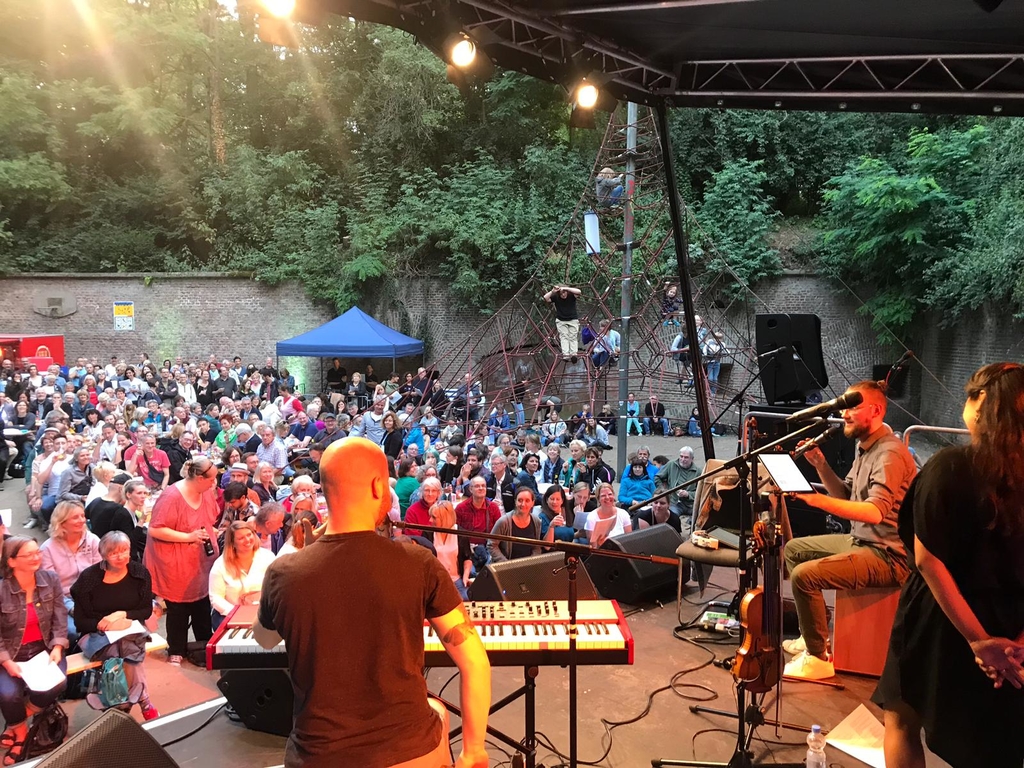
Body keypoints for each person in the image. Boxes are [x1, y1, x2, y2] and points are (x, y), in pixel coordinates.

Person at [253, 437, 490, 768]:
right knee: (436, 711)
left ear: (324, 490)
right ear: (380, 486)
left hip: (318, 756)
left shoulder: (283, 571)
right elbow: (475, 662)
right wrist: (474, 749)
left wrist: (305, 555)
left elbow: (263, 640)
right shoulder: (418, 562)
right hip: (408, 753)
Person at [873, 363, 1024, 768]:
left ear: (980, 404)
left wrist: (977, 642)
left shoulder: (950, 466)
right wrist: (1016, 645)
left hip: (939, 616)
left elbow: (926, 559)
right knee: (991, 741)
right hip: (1010, 623)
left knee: (902, 719)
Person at [782, 381, 917, 681]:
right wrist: (820, 465)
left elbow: (873, 511)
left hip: (887, 555)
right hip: (862, 540)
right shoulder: (866, 446)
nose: (844, 414)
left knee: (805, 575)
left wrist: (817, 501)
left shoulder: (890, 454)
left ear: (876, 410)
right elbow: (846, 496)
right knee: (794, 550)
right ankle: (814, 634)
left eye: (853, 407)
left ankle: (818, 660)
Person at [70, 531, 158, 720]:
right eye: (114, 553)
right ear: (103, 555)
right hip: (94, 633)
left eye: (125, 550)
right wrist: (105, 625)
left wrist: (122, 615)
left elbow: (145, 611)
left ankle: (116, 705)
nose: (121, 556)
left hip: (130, 630)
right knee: (119, 652)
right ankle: (142, 701)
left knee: (126, 648)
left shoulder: (140, 573)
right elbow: (80, 622)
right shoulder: (88, 579)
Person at [144, 456, 220, 666]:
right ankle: (176, 648)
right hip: (174, 557)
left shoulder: (204, 492)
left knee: (202, 602)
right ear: (198, 477)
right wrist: (188, 537)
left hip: (199, 555)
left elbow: (210, 518)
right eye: (211, 479)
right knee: (178, 606)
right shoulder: (171, 496)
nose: (214, 483)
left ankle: (204, 645)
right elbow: (155, 528)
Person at [0, 536, 68, 765]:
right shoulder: (1, 590)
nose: (36, 557)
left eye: (37, 552)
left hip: (44, 649)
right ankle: (21, 733)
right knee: (8, 694)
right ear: (11, 562)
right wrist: (6, 661)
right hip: (11, 652)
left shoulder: (50, 580)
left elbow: (60, 617)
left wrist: (58, 646)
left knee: (57, 683)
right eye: (28, 555)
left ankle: (15, 723)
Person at [39, 500, 102, 642]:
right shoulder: (47, 549)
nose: (82, 520)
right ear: (61, 522)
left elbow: (100, 574)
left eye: (82, 515)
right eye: (75, 517)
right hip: (63, 601)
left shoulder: (92, 540)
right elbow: (50, 589)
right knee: (73, 631)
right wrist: (72, 607)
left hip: (92, 597)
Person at [209, 521, 276, 631]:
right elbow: (216, 598)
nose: (247, 540)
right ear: (232, 543)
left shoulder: (268, 557)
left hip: (262, 612)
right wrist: (238, 613)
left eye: (249, 535)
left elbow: (276, 587)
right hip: (229, 614)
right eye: (241, 538)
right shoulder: (220, 565)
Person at [487, 488, 554, 562]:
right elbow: (491, 545)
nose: (523, 504)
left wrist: (531, 562)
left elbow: (536, 547)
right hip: (506, 566)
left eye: (527, 501)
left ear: (533, 503)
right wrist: (505, 563)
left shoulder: (536, 521)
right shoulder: (503, 521)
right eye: (520, 500)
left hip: (527, 566)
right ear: (515, 502)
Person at [454, 476, 502, 574]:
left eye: (483, 486)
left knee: (489, 573)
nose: (481, 488)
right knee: (470, 574)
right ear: (470, 489)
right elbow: (455, 532)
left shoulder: (493, 508)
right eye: (477, 486)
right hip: (468, 550)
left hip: (487, 548)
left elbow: (499, 534)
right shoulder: (461, 508)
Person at [425, 501, 472, 600]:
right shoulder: (427, 533)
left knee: (466, 599)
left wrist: (465, 577)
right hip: (435, 582)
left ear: (444, 519)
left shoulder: (461, 534)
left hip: (456, 580)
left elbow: (467, 558)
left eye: (434, 517)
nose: (430, 520)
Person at [655, 446, 699, 535]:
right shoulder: (671, 464)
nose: (683, 459)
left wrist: (688, 494)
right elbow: (657, 477)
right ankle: (672, 535)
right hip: (675, 502)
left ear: (692, 459)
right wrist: (664, 492)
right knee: (671, 516)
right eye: (681, 456)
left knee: (701, 515)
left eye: (686, 457)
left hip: (691, 504)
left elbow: (701, 492)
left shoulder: (698, 472)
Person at [543, 285, 582, 363]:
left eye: (564, 293)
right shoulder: (556, 297)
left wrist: (566, 288)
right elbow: (545, 298)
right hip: (561, 320)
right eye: (561, 294)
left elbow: (579, 291)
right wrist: (552, 291)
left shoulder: (571, 295)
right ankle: (566, 355)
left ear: (567, 292)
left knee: (573, 336)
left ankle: (573, 354)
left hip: (573, 319)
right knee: (564, 336)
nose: (563, 295)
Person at [586, 484, 632, 549]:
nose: (607, 497)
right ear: (598, 499)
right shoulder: (592, 517)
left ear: (613, 496)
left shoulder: (624, 514)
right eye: (603, 495)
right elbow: (593, 547)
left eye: (610, 494)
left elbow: (629, 541)